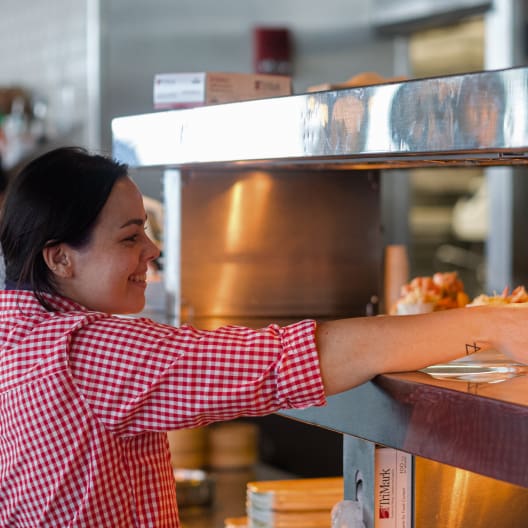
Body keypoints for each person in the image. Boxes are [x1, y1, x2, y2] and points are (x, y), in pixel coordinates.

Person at [0, 147, 527, 527]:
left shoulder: (13, 335)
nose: (153, 250)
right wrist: (489, 326)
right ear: (60, 257)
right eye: (130, 236)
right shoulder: (84, 353)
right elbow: (286, 361)